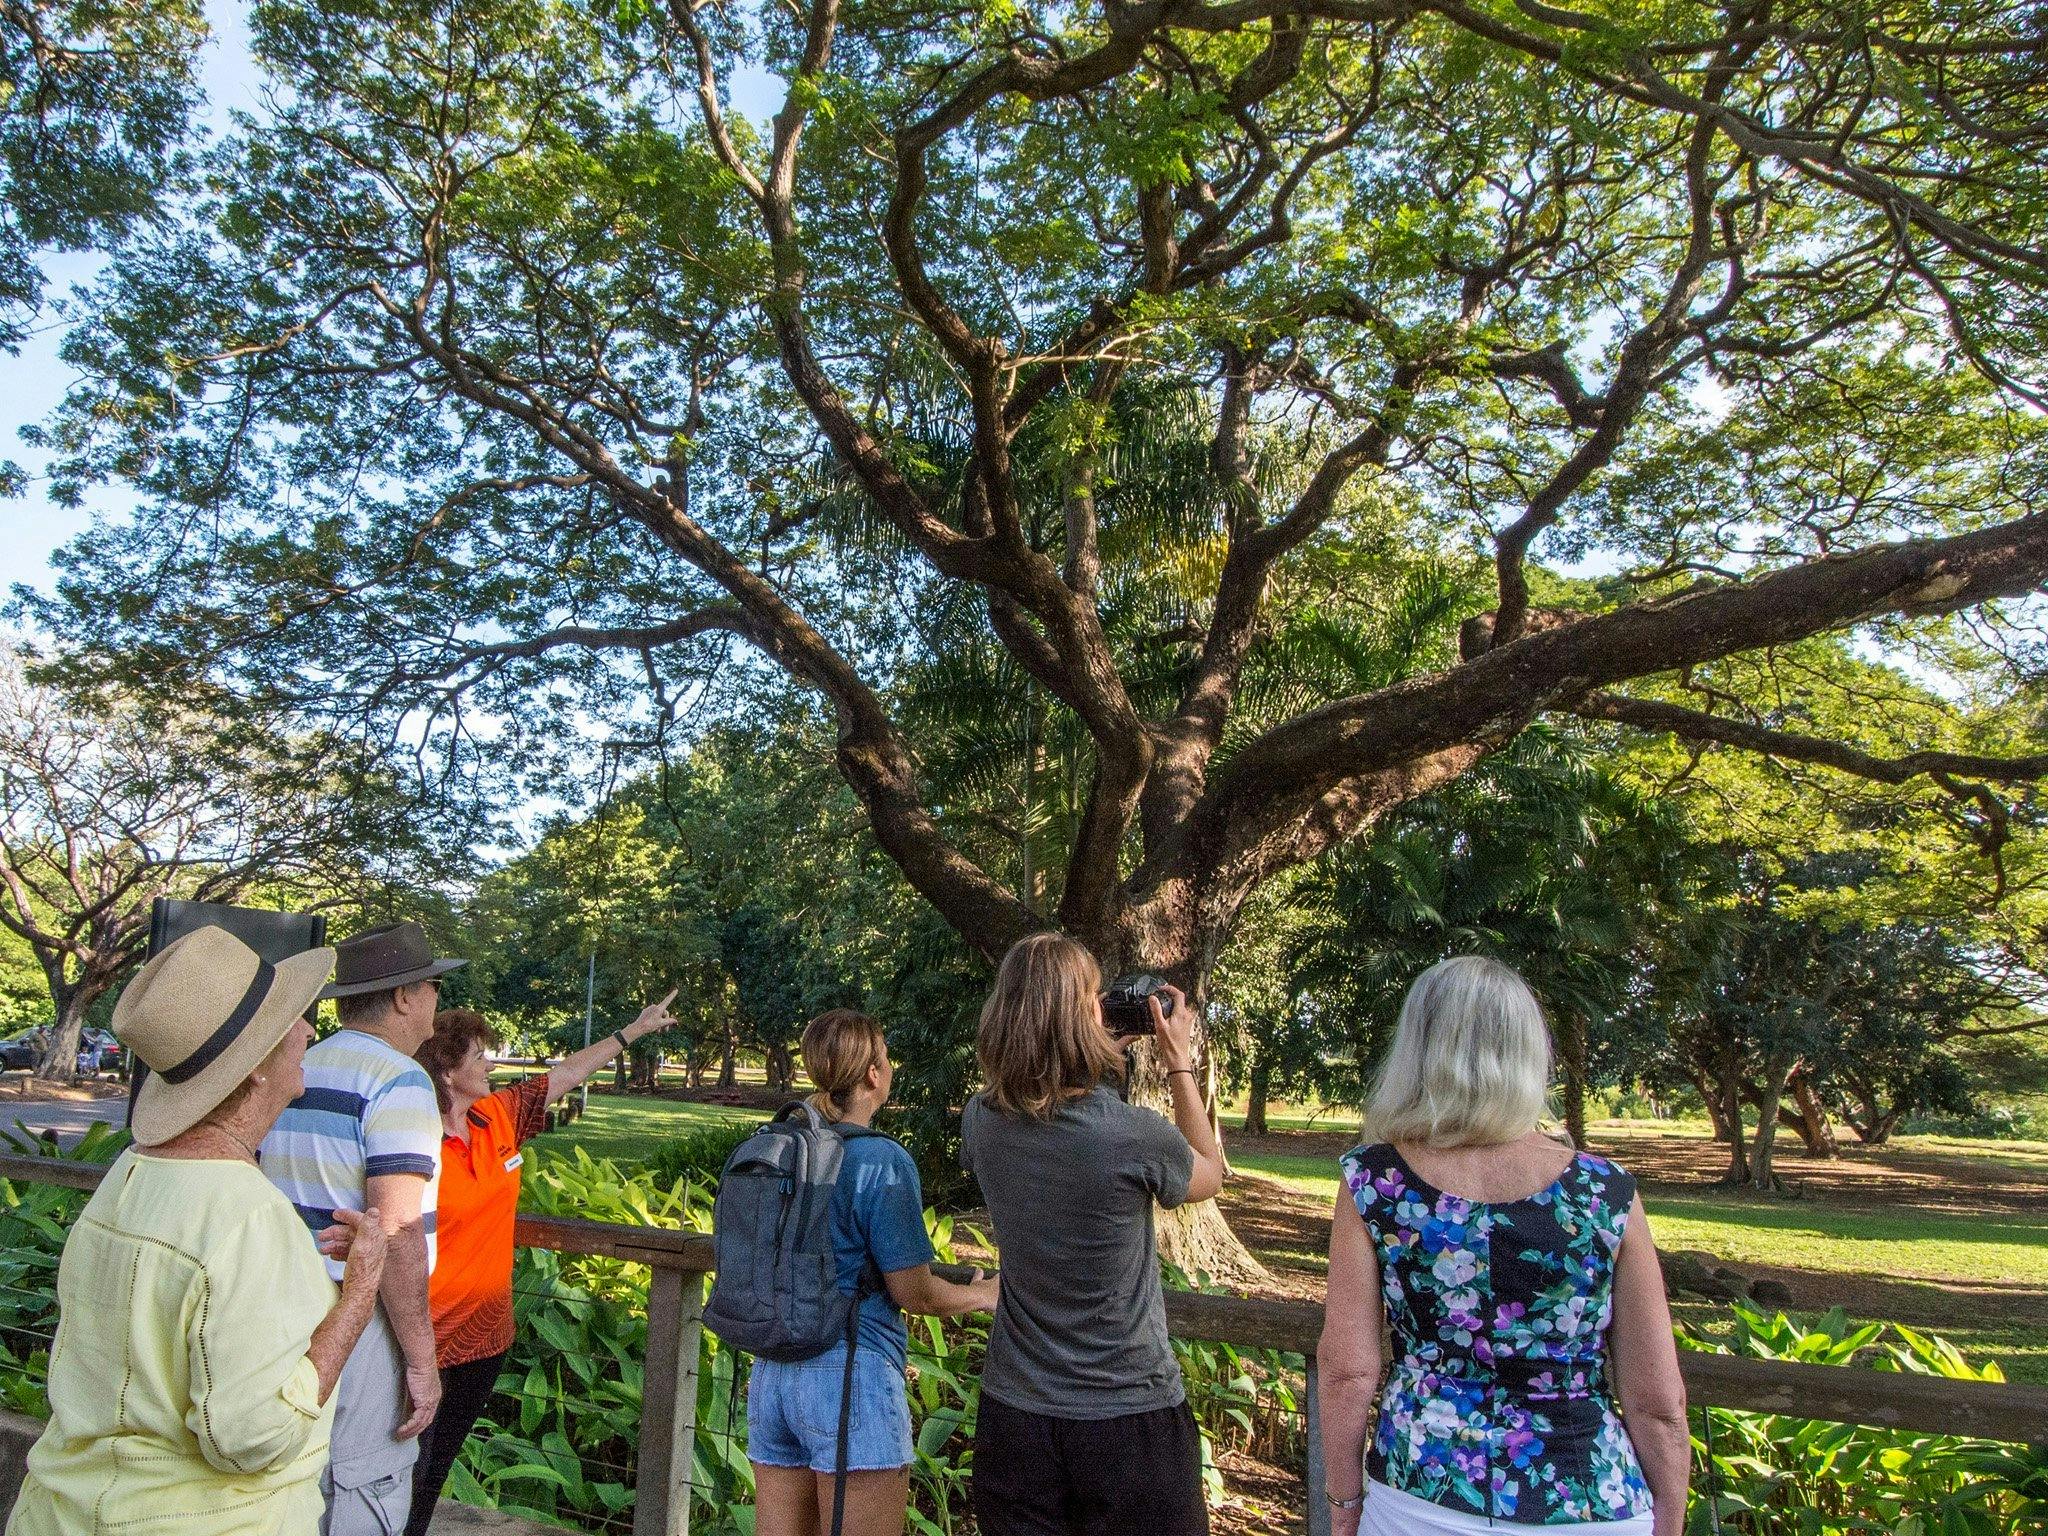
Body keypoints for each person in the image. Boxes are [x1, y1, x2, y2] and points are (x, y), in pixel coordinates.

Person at [8, 927, 389, 1536]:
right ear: (257, 1068)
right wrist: (358, 1295)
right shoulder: (248, 1216)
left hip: (59, 1513)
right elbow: (254, 1437)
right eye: (290, 1018)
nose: (309, 1031)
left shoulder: (129, 1171)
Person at [1316, 956, 1690, 1536]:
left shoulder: (1374, 1182)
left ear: (1416, 1049)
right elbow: (1657, 1399)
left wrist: (1343, 1507)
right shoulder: (1605, 1191)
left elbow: (1347, 1372)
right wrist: (1668, 1518)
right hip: (1588, 1497)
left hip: (1424, 1492)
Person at [960, 933, 1226, 1536]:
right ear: (1082, 1017)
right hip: (1129, 1416)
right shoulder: (1133, 1136)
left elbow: (1045, 1111)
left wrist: (1083, 1052)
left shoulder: (981, 1122)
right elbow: (1208, 1173)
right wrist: (1177, 1057)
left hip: (1016, 1417)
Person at [402, 989, 682, 1536]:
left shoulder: (496, 1117)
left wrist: (634, 1030)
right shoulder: (411, 1136)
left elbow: (568, 1073)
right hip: (421, 1340)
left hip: (485, 1339)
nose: (490, 1064)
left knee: (431, 1480)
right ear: (448, 1071)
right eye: (479, 1056)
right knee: (399, 1485)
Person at [748, 1009, 999, 1536]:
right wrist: (982, 1295)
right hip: (848, 1378)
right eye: (886, 1058)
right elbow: (915, 1292)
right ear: (872, 1075)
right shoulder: (880, 1161)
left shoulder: (778, 1146)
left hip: (773, 1373)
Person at [262, 918, 463, 1536]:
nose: (437, 1000)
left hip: (280, 1308)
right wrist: (423, 1361)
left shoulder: (298, 1067)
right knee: (362, 1485)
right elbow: (398, 1232)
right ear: (405, 996)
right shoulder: (398, 1081)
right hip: (359, 1318)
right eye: (432, 987)